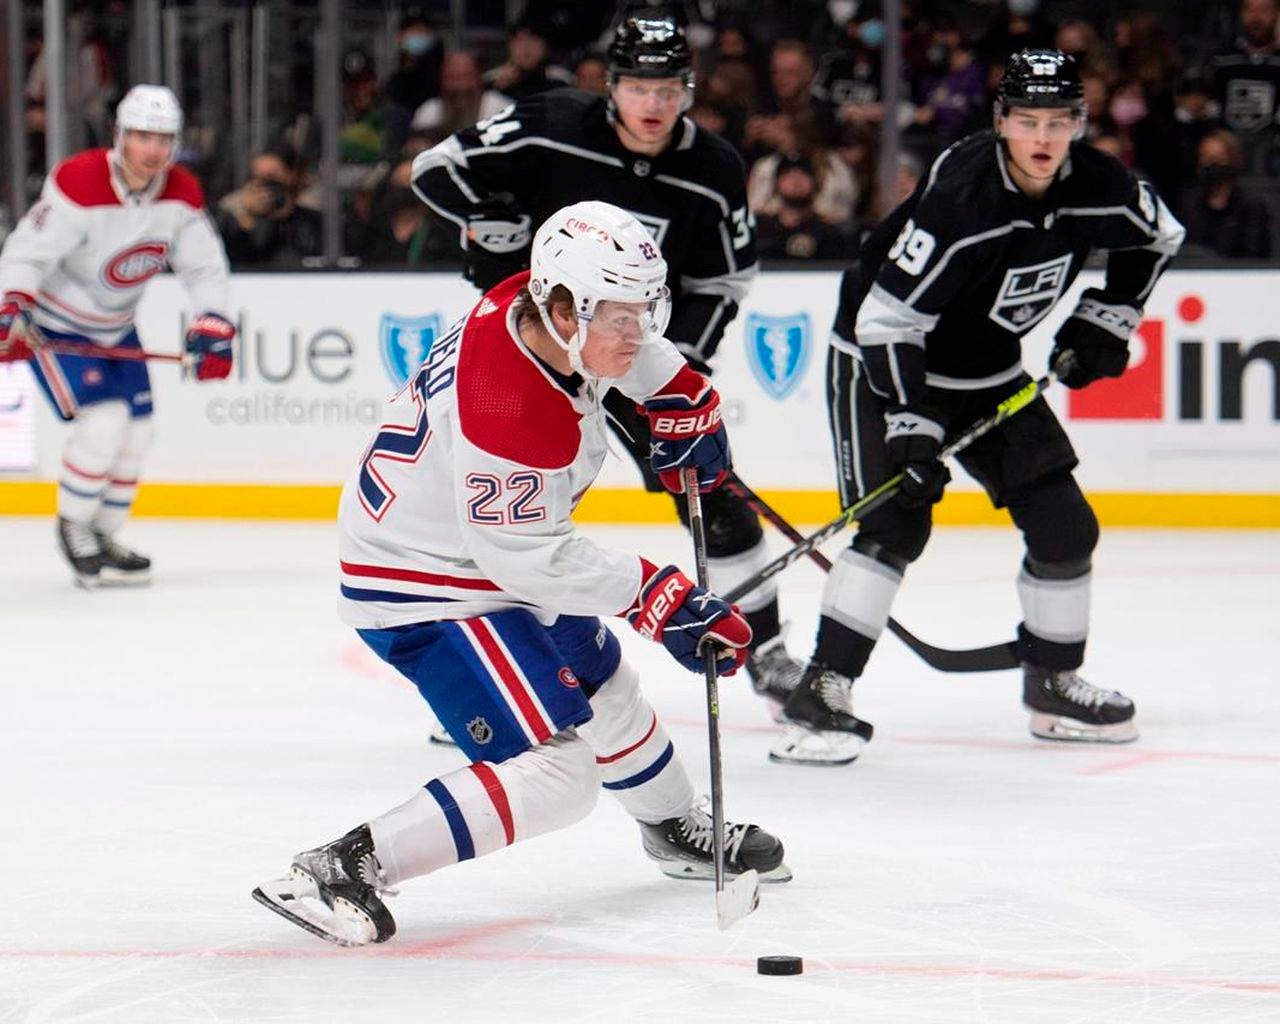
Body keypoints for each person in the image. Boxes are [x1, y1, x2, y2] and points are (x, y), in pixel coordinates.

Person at [251, 202, 789, 947]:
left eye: (644, 313)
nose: (635, 336)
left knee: (608, 689)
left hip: (477, 555)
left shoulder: (535, 304)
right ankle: (342, 866)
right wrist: (657, 597)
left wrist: (682, 394)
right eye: (619, 320)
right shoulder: (508, 406)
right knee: (558, 775)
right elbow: (529, 556)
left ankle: (671, 828)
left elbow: (630, 356)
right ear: (564, 308)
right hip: (427, 582)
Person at [771, 50, 1185, 766]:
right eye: (1028, 120)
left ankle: (1052, 680)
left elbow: (1160, 235)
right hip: (882, 358)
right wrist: (908, 419)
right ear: (1002, 122)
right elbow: (887, 321)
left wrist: (1110, 316)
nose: (1044, 138)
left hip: (990, 370)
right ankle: (823, 688)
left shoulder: (1099, 183)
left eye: (1060, 121)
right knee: (893, 526)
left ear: (1080, 124)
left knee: (1065, 525)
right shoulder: (963, 199)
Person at [411, 7, 806, 714]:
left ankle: (768, 652)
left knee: (721, 508)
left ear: (689, 88)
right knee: (515, 514)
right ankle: (492, 664)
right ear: (611, 85)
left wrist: (671, 372)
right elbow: (435, 169)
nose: (652, 105)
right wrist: (489, 208)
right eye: (637, 87)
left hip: (632, 350)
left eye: (669, 89)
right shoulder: (551, 124)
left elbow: (723, 282)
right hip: (532, 350)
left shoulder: (715, 169)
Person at [0, 84, 234, 588]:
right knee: (103, 421)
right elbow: (26, 252)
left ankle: (102, 534)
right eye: (143, 137)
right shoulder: (79, 181)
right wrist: (10, 305)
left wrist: (213, 321)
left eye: (164, 139)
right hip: (54, 328)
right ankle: (74, 528)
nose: (153, 150)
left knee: (139, 432)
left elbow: (203, 266)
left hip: (118, 327)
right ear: (120, 136)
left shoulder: (181, 192)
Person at [214, 146, 323, 267]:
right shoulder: (235, 223)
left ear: (292, 175)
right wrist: (245, 218)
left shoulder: (315, 223)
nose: (264, 185)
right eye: (257, 177)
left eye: (272, 176)